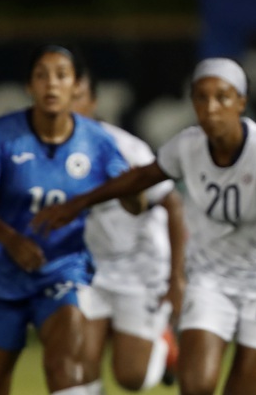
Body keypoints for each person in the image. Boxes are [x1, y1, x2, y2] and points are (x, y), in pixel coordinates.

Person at [32, 57, 256, 395]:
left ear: (241, 102)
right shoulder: (187, 146)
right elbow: (141, 177)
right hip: (210, 278)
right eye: (201, 97)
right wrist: (78, 203)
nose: (211, 107)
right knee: (196, 385)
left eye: (222, 97)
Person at [0, 44, 136, 395]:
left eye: (61, 76)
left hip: (63, 271)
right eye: (41, 76)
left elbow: (135, 200)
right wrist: (12, 240)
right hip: (1, 275)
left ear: (76, 86)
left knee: (65, 367)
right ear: (28, 86)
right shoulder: (0, 134)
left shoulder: (98, 141)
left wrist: (132, 189)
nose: (51, 85)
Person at [70, 71, 184, 391]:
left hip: (139, 268)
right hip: (88, 270)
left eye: (77, 96)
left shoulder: (125, 147)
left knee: (131, 377)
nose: (69, 104)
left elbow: (173, 205)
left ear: (92, 102)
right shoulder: (49, 149)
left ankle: (163, 345)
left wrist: (176, 277)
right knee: (78, 364)